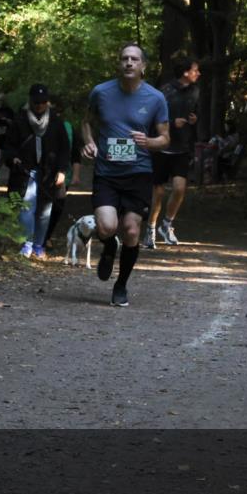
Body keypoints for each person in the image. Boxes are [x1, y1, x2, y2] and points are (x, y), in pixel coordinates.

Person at [82, 43, 170, 306]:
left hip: (139, 173)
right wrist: (88, 142)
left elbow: (165, 139)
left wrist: (149, 142)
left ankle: (121, 285)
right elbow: (86, 122)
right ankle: (109, 246)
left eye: (134, 59)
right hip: (107, 172)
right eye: (124, 59)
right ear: (118, 64)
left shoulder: (155, 98)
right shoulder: (101, 92)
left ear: (143, 66)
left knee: (131, 231)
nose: (129, 63)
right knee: (107, 227)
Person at [4, 83, 71, 260]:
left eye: (43, 102)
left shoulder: (56, 122)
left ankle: (39, 245)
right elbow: (8, 146)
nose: (39, 106)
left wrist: (62, 171)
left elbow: (65, 148)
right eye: (36, 102)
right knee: (26, 207)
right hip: (25, 172)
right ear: (31, 101)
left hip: (49, 173)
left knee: (44, 211)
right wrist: (13, 159)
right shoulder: (19, 120)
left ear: (47, 102)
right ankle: (27, 243)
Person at [146, 54, 200, 248]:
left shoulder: (195, 91)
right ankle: (150, 229)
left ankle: (166, 224)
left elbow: (196, 113)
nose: (198, 73)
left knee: (179, 188)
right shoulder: (165, 92)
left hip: (182, 148)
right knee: (158, 192)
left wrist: (194, 120)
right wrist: (171, 123)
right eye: (195, 70)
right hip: (163, 147)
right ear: (186, 72)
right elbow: (152, 118)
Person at [42, 94, 83, 249]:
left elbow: (75, 154)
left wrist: (77, 175)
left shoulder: (68, 128)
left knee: (57, 207)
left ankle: (47, 235)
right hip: (42, 174)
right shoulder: (38, 125)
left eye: (55, 110)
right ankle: (35, 237)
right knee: (39, 206)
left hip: (62, 176)